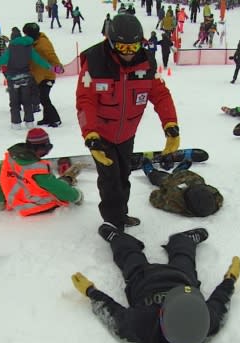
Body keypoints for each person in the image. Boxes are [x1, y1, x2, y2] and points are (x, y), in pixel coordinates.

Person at [71, 224, 240, 343]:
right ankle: (184, 240)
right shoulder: (206, 323)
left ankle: (120, 239)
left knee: (130, 257)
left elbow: (112, 313)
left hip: (143, 280)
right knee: (184, 258)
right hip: (181, 279)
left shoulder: (141, 326)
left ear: (160, 316)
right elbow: (220, 301)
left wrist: (90, 291)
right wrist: (230, 279)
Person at [76, 14, 179, 230]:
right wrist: (90, 135)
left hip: (127, 133)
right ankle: (114, 223)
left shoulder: (147, 63)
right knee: (110, 180)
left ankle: (121, 215)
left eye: (134, 47)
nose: (129, 53)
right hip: (102, 135)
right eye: (123, 47)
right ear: (112, 44)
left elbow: (160, 95)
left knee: (123, 177)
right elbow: (86, 101)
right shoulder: (95, 62)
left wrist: (170, 125)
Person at [0, 128, 84, 214]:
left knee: (51, 183)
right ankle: (67, 179)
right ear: (40, 149)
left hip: (15, 203)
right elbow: (58, 189)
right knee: (56, 186)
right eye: (46, 149)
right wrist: (77, 196)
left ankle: (65, 180)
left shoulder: (9, 159)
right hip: (35, 206)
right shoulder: (38, 168)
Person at [0, 25, 51, 129]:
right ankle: (29, 122)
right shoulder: (28, 47)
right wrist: (49, 67)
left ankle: (16, 123)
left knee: (14, 102)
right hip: (26, 77)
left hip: (13, 78)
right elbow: (38, 59)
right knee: (27, 101)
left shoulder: (11, 48)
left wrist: (0, 64)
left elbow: (1, 61)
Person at [141, 160, 223, 217]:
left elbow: (155, 197)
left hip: (172, 184)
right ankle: (179, 171)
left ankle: (151, 172)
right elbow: (216, 194)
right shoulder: (215, 198)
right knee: (191, 178)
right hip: (193, 184)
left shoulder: (174, 202)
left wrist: (163, 191)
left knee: (163, 179)